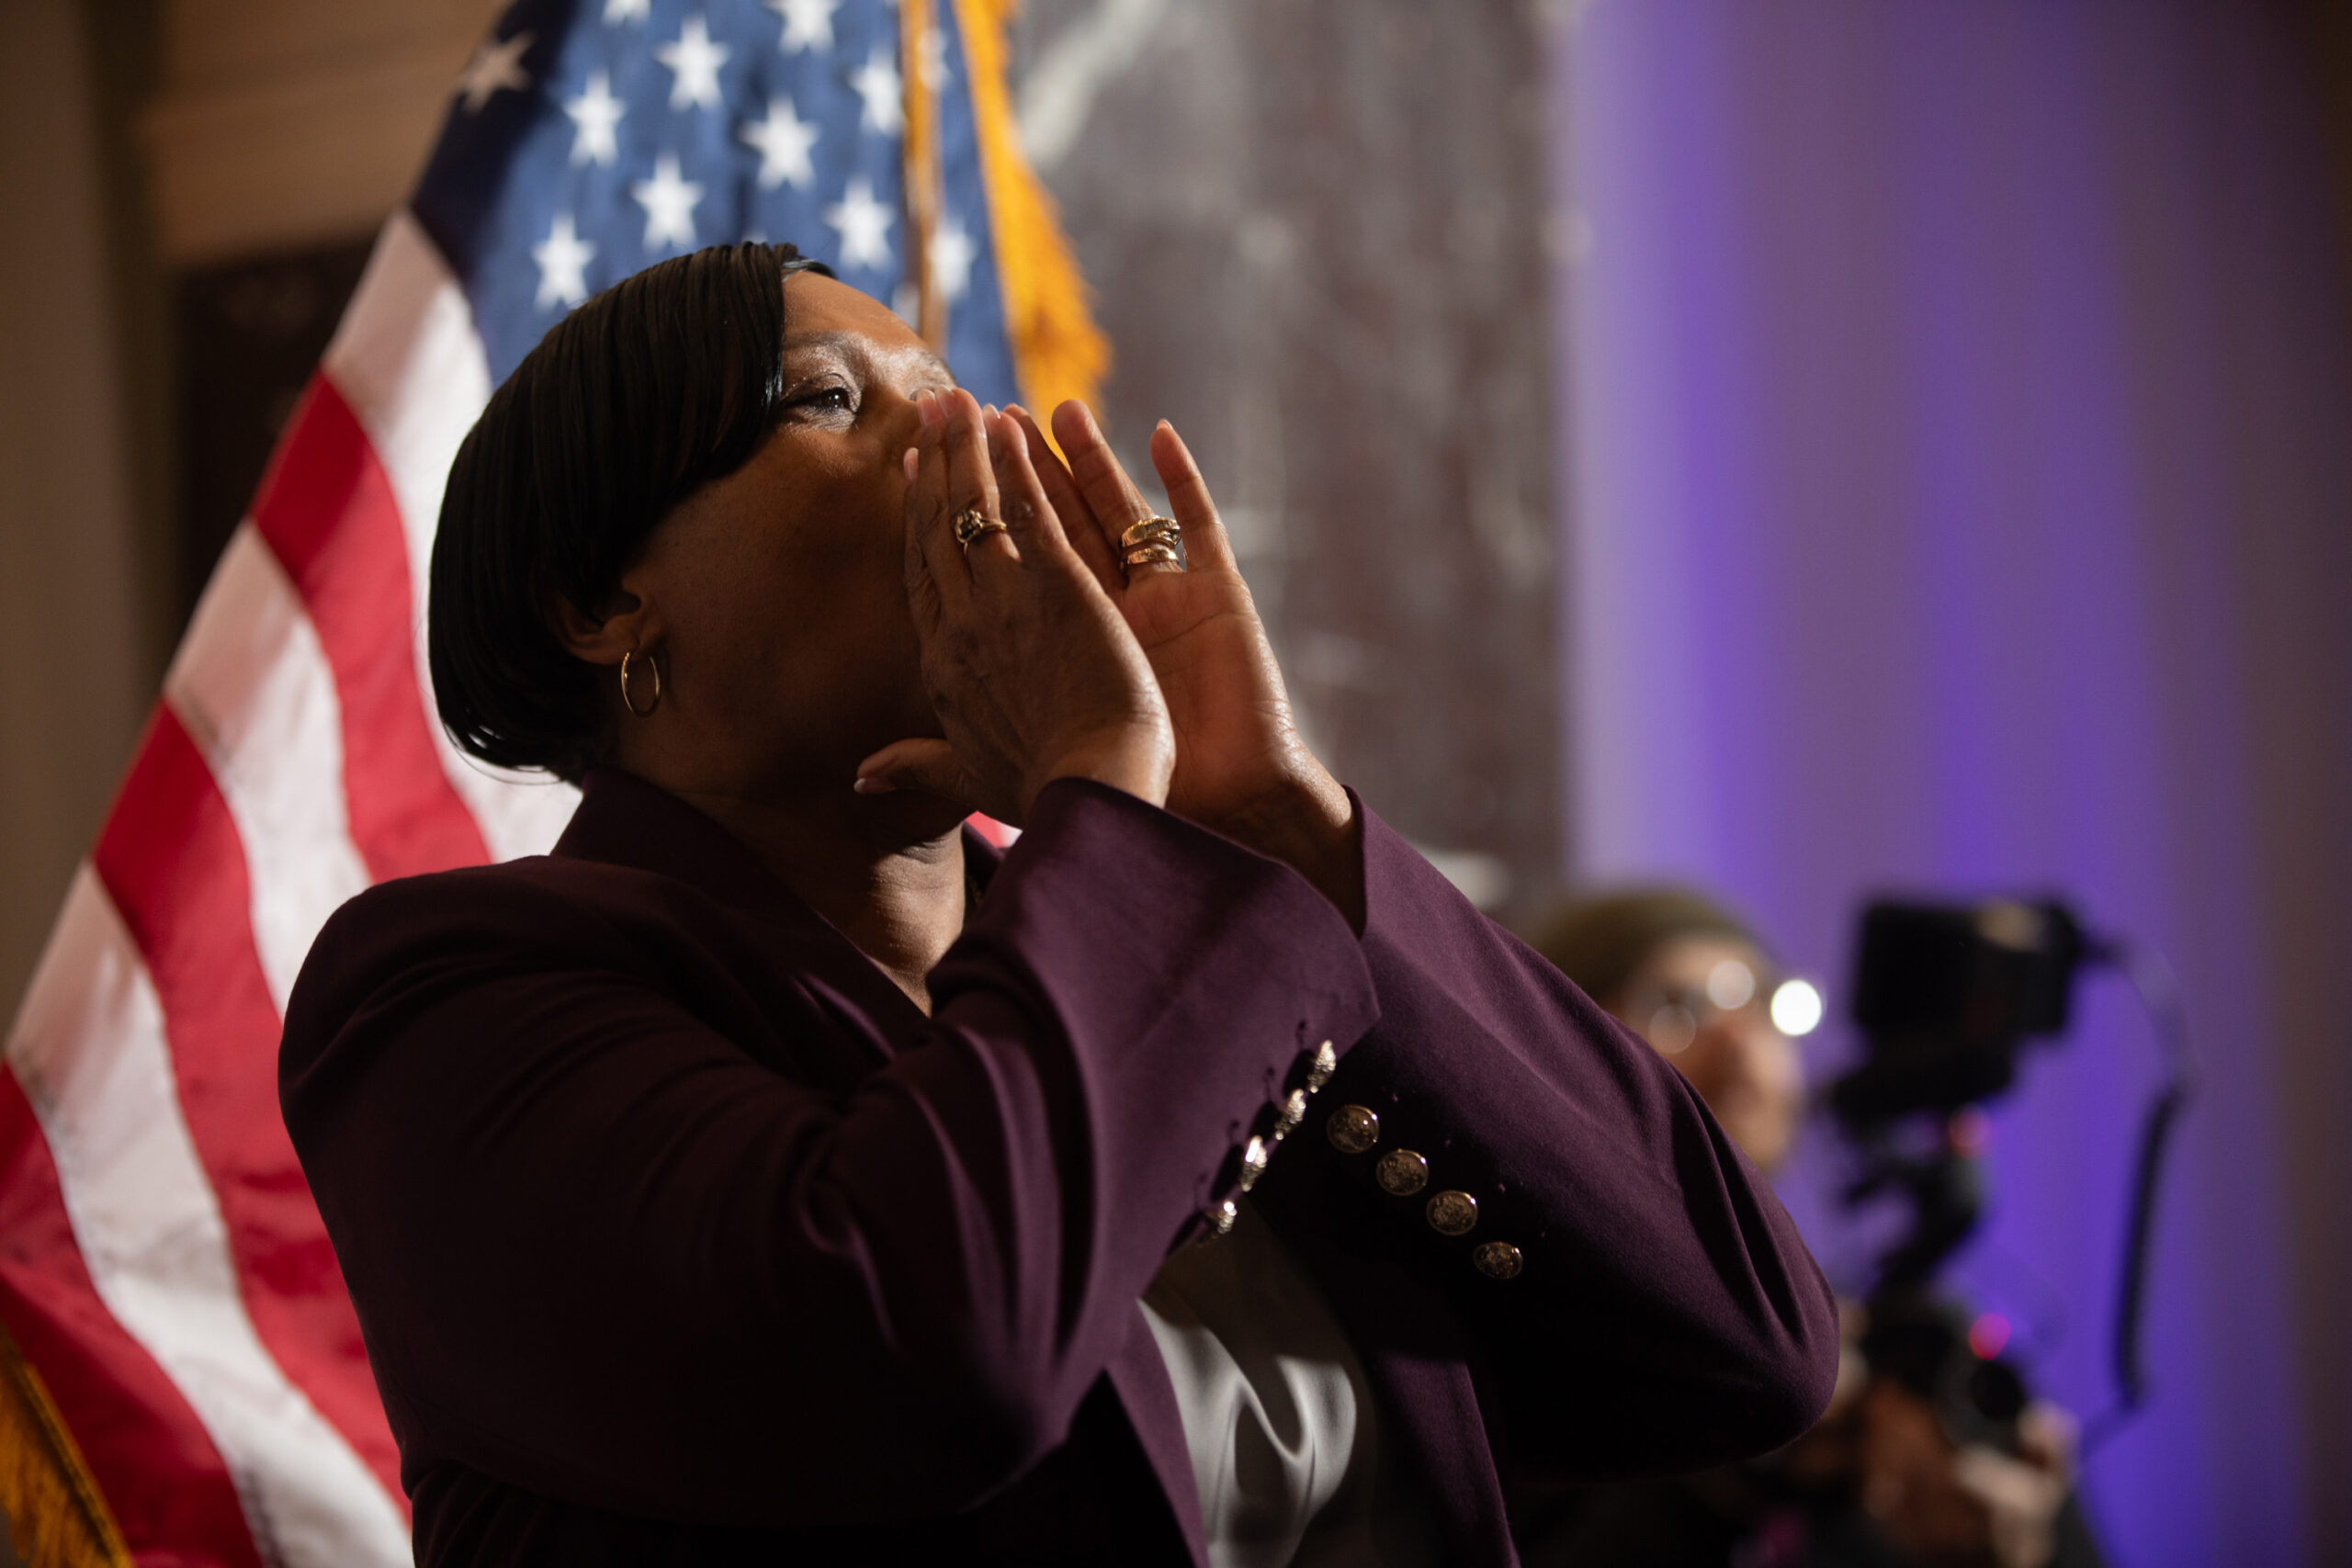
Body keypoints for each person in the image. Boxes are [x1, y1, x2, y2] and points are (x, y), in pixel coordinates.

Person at [277, 243, 1840, 1567]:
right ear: (602, 601)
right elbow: (923, 1355)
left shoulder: (1208, 936)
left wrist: (1272, 819)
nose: (976, 453)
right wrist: (1111, 781)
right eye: (835, 401)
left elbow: (1747, 1351)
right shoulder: (445, 1003)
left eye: (956, 398)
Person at [1519, 890, 2104, 1568]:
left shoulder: (1886, 1359)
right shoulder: (1519, 1351)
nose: (1739, 1038)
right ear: (1558, 1052)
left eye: (1763, 1000)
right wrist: (1735, 1471)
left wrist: (2015, 1551)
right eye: (1678, 1006)